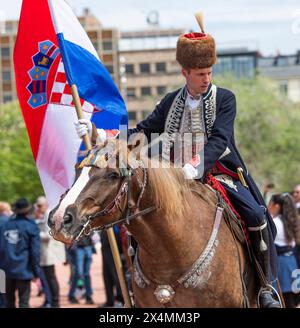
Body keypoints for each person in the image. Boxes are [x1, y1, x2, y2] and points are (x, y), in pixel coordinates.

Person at [75, 20, 281, 308]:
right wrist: (101, 133)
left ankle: (265, 288)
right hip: (171, 178)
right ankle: (139, 285)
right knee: (138, 220)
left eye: (208, 72)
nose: (206, 79)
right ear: (185, 72)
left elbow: (220, 140)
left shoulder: (225, 98)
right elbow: (143, 131)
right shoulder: (171, 100)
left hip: (219, 174)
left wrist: (193, 167)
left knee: (258, 217)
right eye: (199, 74)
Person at [0, 198, 40, 308]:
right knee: (24, 303)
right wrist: (36, 272)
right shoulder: (31, 226)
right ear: (28, 210)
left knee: (8, 303)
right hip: (24, 270)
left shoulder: (4, 225)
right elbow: (35, 252)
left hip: (5, 270)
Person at [268, 194, 300, 307]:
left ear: (276, 206)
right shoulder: (290, 221)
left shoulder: (274, 222)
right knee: (291, 303)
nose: (268, 206)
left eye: (270, 203)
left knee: (279, 302)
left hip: (280, 267)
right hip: (292, 265)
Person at [35, 196, 65, 308]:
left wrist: (35, 233)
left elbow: (49, 235)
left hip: (49, 251)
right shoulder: (46, 214)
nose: (38, 208)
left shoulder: (49, 214)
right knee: (47, 277)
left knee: (50, 276)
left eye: (39, 205)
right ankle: (51, 300)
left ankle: (55, 302)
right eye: (37, 206)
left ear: (45, 204)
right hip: (46, 251)